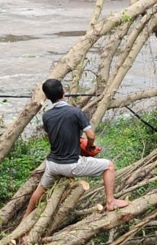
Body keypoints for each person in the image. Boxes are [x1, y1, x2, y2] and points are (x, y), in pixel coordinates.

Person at [23, 78, 131, 216]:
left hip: (52, 164)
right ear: (63, 91)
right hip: (71, 165)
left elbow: (52, 138)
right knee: (109, 166)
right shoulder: (75, 112)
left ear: (47, 97)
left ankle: (26, 216)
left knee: (41, 188)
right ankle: (110, 202)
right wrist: (90, 146)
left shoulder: (47, 116)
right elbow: (91, 136)